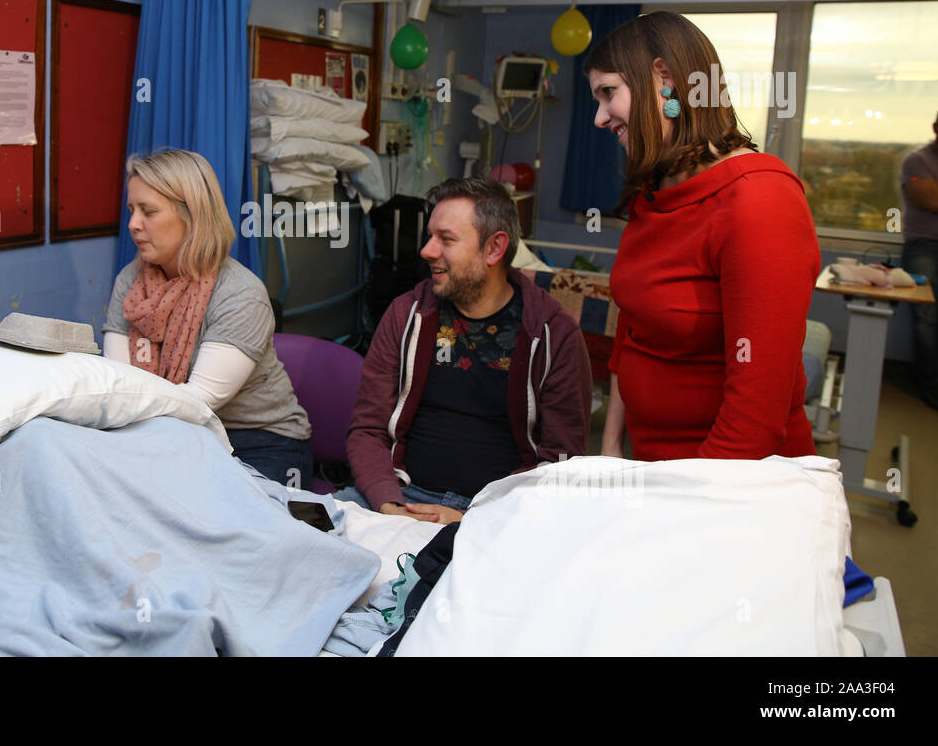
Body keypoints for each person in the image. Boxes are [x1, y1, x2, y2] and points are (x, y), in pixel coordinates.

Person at [588, 10, 820, 461]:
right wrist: (612, 445)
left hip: (730, 484)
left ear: (665, 79)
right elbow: (631, 336)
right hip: (655, 467)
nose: (600, 118)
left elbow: (753, 424)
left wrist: (687, 508)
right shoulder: (655, 193)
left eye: (608, 93)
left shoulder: (759, 200)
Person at [342, 177, 591, 524]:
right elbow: (368, 429)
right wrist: (390, 507)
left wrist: (470, 519)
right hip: (402, 495)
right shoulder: (406, 314)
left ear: (493, 249)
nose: (427, 250)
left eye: (446, 239)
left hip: (498, 511)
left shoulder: (554, 335)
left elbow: (561, 462)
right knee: (308, 538)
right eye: (431, 237)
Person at [102, 149, 313, 485]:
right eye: (131, 210)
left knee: (225, 524)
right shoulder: (131, 281)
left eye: (148, 211)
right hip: (167, 429)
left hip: (258, 441)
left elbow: (197, 402)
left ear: (192, 215)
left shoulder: (239, 292)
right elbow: (117, 382)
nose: (133, 224)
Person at [899, 105, 938, 411]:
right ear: (936, 127)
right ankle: (934, 387)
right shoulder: (918, 160)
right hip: (926, 247)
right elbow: (932, 201)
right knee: (927, 317)